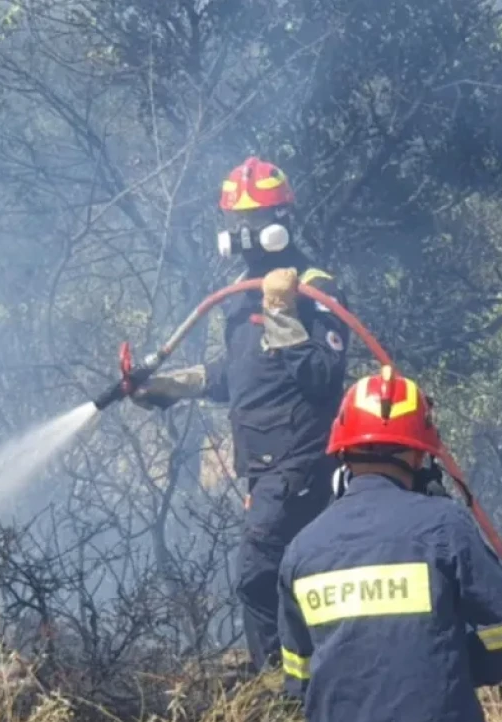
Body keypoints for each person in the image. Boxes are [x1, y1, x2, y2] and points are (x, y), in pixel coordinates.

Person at [130, 156, 351, 674]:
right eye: (235, 224)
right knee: (291, 575)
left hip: (299, 457)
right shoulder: (242, 292)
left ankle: (276, 687)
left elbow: (321, 375)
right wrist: (168, 386)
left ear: (282, 220)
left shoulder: (315, 288)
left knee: (258, 573)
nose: (244, 234)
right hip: (262, 461)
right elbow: (241, 374)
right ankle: (310, 681)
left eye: (255, 221)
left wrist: (284, 317)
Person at [276, 367, 502, 722]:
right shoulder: (443, 525)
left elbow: (299, 675)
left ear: (342, 457)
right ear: (419, 457)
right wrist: (449, 666)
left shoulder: (303, 549)